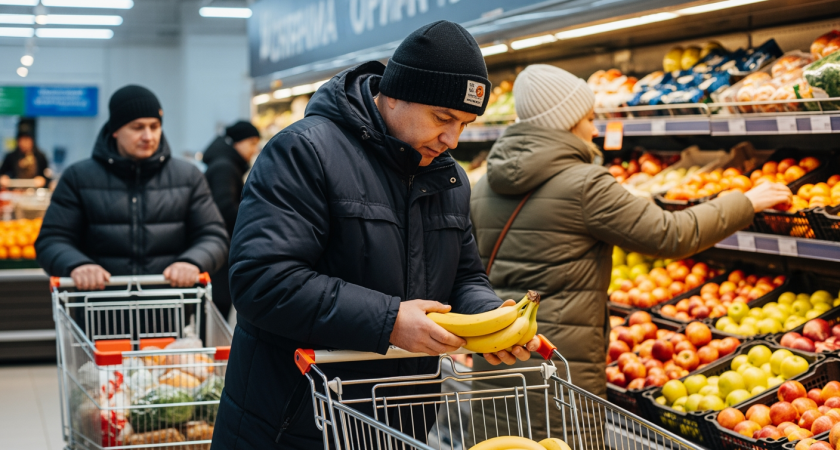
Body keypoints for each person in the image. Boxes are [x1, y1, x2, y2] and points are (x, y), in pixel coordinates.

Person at [211, 21, 539, 450]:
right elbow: (263, 281)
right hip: (298, 422)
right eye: (442, 118)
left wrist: (492, 320)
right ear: (396, 93)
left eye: (464, 123)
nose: (452, 139)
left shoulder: (449, 178)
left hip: (400, 423)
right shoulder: (304, 152)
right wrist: (390, 321)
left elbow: (464, 276)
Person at [469, 64, 792, 438]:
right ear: (568, 122)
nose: (594, 129)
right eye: (589, 118)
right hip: (556, 364)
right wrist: (746, 201)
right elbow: (671, 234)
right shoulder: (586, 184)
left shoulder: (484, 186)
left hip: (496, 362)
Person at [35, 85, 229, 289]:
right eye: (137, 127)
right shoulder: (78, 178)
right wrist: (77, 265)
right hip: (100, 307)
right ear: (115, 131)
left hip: (171, 307)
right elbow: (52, 239)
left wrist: (192, 261)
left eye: (154, 126)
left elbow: (214, 236)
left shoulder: (188, 177)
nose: (148, 136)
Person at [202, 121, 261, 318]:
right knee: (217, 306)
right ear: (238, 142)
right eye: (252, 143)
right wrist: (254, 220)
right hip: (221, 250)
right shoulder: (225, 167)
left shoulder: (225, 164)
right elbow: (224, 208)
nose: (254, 150)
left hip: (220, 248)